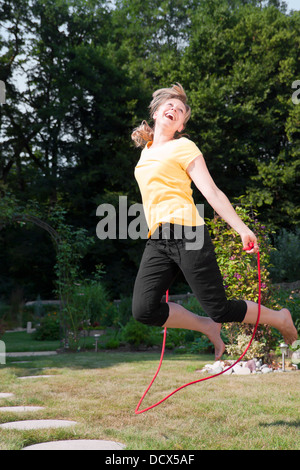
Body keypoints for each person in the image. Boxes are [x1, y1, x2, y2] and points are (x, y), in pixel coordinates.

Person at [131, 83, 297, 360]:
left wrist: (242, 229)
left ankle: (281, 318)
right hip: (158, 239)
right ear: (157, 112)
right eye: (169, 106)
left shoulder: (183, 146)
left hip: (188, 232)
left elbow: (211, 192)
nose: (174, 109)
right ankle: (207, 327)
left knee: (219, 308)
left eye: (181, 110)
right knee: (144, 310)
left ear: (181, 125)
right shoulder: (145, 153)